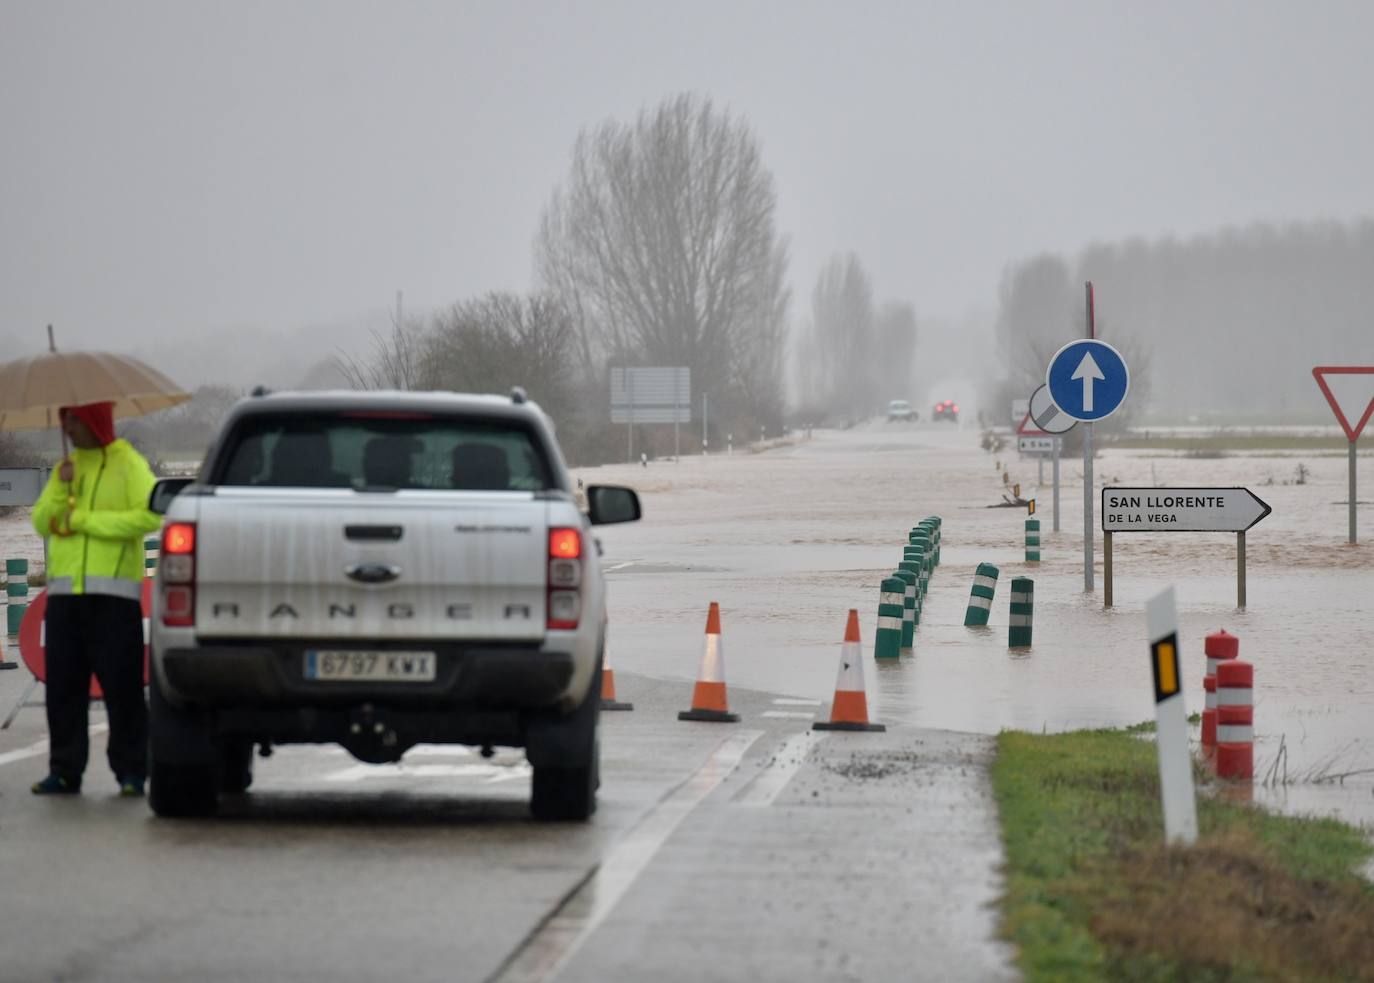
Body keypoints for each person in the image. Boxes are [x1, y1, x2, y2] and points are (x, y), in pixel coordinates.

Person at [29, 402, 161, 797]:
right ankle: (65, 771)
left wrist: (88, 522)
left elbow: (151, 515)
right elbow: (41, 522)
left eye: (72, 418)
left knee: (122, 689)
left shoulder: (129, 464)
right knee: (63, 690)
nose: (66, 426)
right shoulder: (65, 470)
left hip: (114, 598)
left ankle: (132, 773)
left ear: (93, 420)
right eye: (63, 419)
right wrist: (61, 493)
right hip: (66, 598)